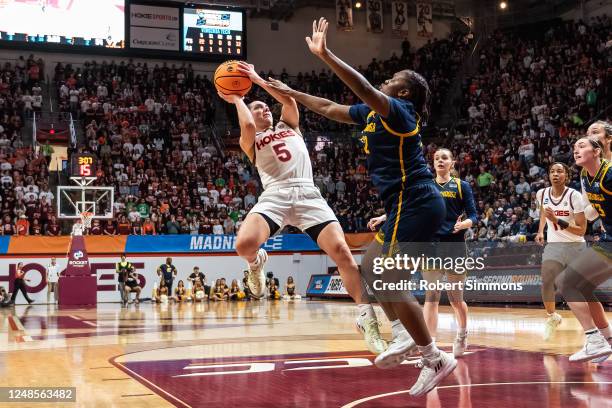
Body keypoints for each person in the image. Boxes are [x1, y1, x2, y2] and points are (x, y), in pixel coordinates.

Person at [266, 17, 456, 395]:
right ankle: (406, 336)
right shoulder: (372, 115)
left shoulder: (402, 113)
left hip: (415, 198)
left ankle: (434, 356)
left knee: (384, 273)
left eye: (393, 81)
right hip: (405, 202)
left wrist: (326, 55)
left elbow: (366, 87)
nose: (386, 83)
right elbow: (331, 108)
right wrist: (292, 93)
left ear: (404, 92)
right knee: (371, 269)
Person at [219, 57, 386, 354]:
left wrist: (257, 79)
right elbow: (244, 121)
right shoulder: (250, 140)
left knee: (343, 253)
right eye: (258, 108)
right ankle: (256, 264)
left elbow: (289, 102)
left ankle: (366, 318)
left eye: (265, 106)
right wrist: (236, 98)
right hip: (276, 196)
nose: (264, 109)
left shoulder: (289, 126)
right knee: (244, 245)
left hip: (308, 194)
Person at [554, 137, 612, 363]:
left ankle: (594, 339)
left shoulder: (609, 174)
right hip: (607, 239)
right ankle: (604, 340)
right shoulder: (586, 177)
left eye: (581, 146)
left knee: (566, 282)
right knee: (582, 286)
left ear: (597, 151)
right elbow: (593, 213)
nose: (575, 150)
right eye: (574, 147)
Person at [534, 163, 586, 341]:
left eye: (559, 171)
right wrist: (541, 231)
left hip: (575, 245)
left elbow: (581, 230)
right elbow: (543, 213)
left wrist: (557, 220)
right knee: (547, 280)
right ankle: (552, 317)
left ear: (567, 175)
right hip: (554, 245)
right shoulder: (542, 194)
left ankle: (590, 327)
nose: (555, 174)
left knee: (577, 289)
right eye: (552, 171)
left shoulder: (575, 196)